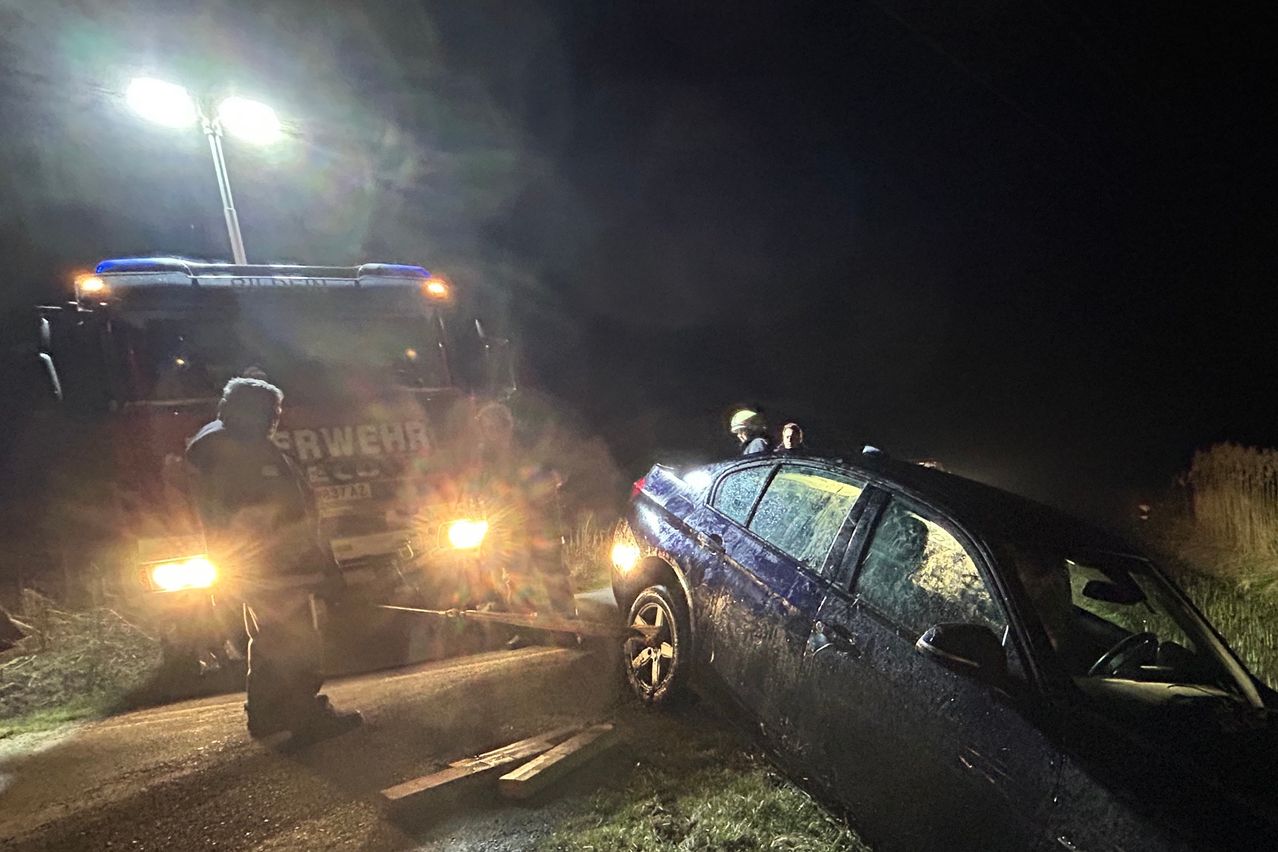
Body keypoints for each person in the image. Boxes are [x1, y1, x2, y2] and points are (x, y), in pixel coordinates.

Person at [185, 377, 361, 742]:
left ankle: (266, 715)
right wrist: (319, 563)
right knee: (295, 643)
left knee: (267, 641)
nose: (276, 420)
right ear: (251, 412)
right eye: (271, 412)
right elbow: (279, 518)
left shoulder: (222, 447)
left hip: (260, 570)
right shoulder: (242, 456)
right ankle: (304, 716)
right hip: (278, 570)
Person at [470, 402, 575, 649]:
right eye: (486, 429)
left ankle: (568, 626)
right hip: (508, 529)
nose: (491, 433)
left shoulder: (531, 447)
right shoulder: (484, 457)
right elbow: (478, 486)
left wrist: (549, 482)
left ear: (508, 425)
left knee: (554, 576)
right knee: (516, 580)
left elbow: (560, 471)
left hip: (542, 524)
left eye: (495, 427)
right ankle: (528, 631)